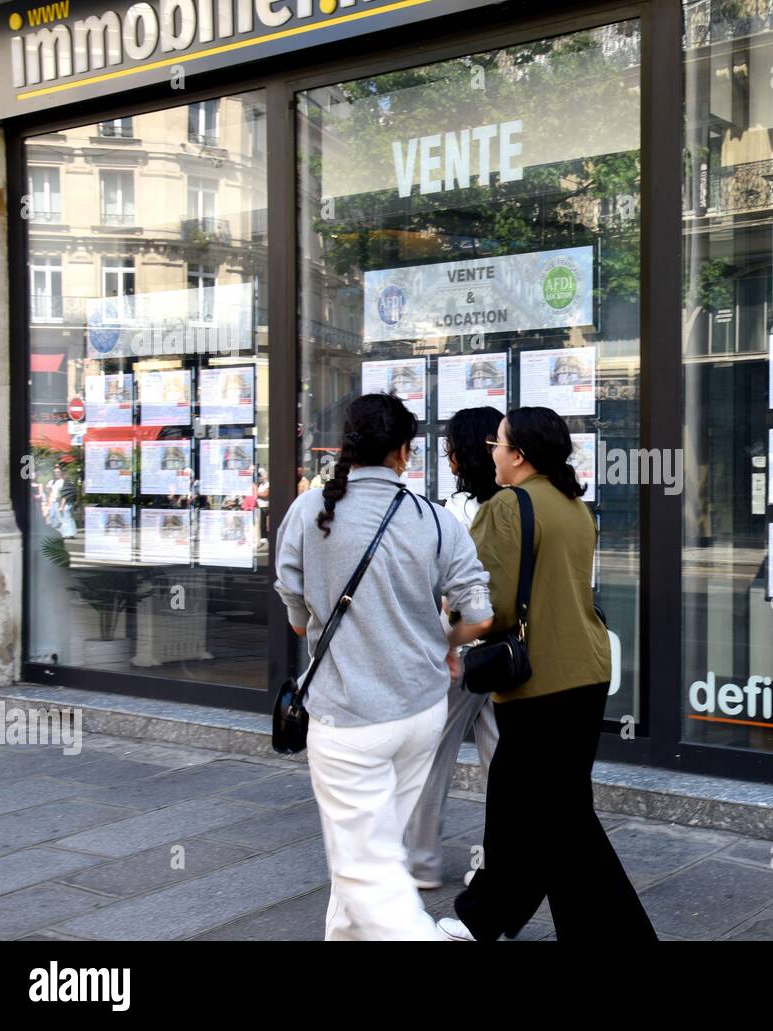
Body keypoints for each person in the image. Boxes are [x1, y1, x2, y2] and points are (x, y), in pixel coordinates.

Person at [274, 392, 493, 941]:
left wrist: (311, 615)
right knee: (375, 849)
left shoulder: (307, 511)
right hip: (420, 712)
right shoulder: (436, 520)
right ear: (403, 452)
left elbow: (296, 613)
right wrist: (446, 641)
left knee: (363, 865)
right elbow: (478, 615)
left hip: (348, 716)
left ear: (350, 444)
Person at [437, 406, 657, 942]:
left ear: (519, 454)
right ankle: (492, 914)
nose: (491, 451)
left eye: (499, 443)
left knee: (543, 811)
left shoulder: (511, 505)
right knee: (543, 807)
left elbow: (490, 604)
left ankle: (507, 917)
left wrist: (449, 635)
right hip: (585, 670)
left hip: (542, 680)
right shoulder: (572, 504)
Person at [405, 406, 504, 890]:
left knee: (431, 754)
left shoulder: (451, 512)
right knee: (500, 761)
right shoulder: (516, 504)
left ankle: (420, 861)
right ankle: (495, 863)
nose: (445, 456)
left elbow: (440, 588)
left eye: (448, 448)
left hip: (461, 649)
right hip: (506, 654)